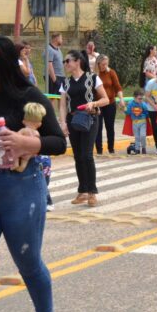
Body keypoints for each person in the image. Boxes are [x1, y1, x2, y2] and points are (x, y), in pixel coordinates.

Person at [0, 36, 67, 312]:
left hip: (21, 189)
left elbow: (59, 142)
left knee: (29, 264)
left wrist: (27, 145)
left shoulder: (29, 96)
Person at [59, 50, 109, 207]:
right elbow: (62, 104)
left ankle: (92, 192)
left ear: (77, 61)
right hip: (73, 120)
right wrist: (63, 123)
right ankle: (82, 190)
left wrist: (93, 103)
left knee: (87, 155)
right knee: (77, 156)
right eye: (65, 62)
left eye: (67, 61)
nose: (65, 64)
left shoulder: (92, 78)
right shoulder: (65, 82)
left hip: (89, 119)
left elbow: (106, 99)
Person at [95, 55, 123, 155]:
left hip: (110, 103)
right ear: (98, 64)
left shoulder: (111, 72)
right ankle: (99, 149)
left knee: (110, 126)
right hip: (98, 104)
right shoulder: (94, 74)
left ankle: (111, 148)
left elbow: (118, 87)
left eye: (106, 64)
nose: (105, 66)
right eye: (103, 64)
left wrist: (121, 99)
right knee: (98, 127)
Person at [125, 89, 149, 155]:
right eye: (139, 99)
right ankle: (137, 149)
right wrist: (124, 108)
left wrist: (143, 114)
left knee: (143, 136)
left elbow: (147, 113)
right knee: (137, 137)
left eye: (141, 98)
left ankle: (144, 147)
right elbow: (128, 112)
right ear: (134, 98)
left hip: (142, 122)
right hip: (134, 123)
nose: (140, 100)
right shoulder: (130, 104)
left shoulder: (143, 104)